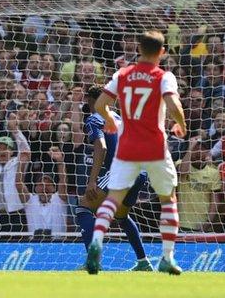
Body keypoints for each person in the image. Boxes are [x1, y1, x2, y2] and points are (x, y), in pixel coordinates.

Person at [86, 30, 187, 275]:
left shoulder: (122, 75)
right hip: (155, 148)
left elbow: (100, 104)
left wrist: (109, 118)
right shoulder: (164, 76)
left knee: (112, 200)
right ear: (162, 52)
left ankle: (97, 241)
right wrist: (181, 124)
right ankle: (167, 257)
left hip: (127, 148)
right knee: (168, 199)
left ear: (139, 49)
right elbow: (173, 105)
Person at [74, 85, 153, 271]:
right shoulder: (120, 119)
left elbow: (101, 147)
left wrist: (92, 180)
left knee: (83, 206)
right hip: (139, 171)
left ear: (91, 101)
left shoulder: (94, 118)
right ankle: (143, 262)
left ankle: (93, 261)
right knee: (121, 216)